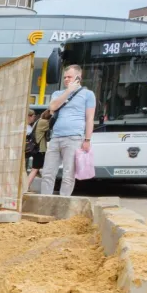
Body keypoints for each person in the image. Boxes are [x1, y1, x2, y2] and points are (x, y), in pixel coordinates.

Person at [40, 64, 96, 197]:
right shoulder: (58, 93)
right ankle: (45, 201)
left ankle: (64, 202)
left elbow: (90, 118)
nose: (66, 79)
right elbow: (52, 107)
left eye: (69, 77)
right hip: (56, 137)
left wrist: (87, 139)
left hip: (74, 138)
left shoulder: (88, 94)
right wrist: (68, 91)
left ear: (78, 77)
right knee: (47, 172)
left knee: (68, 174)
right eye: (64, 77)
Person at [26, 108, 49, 190]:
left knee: (35, 168)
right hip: (40, 150)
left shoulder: (37, 122)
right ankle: (26, 186)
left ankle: (27, 185)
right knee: (35, 169)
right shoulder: (43, 122)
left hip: (37, 149)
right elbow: (52, 125)